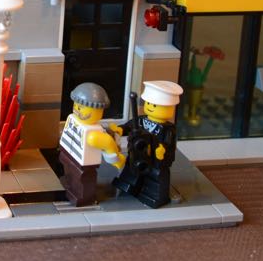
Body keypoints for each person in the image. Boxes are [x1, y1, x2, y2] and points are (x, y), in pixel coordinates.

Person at [113, 80, 183, 208]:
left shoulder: (168, 129)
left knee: (156, 177)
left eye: (155, 105)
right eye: (149, 103)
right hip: (137, 156)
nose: (150, 106)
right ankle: (128, 186)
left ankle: (154, 196)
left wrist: (163, 152)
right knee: (131, 170)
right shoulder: (141, 121)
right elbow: (129, 126)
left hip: (156, 161)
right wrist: (120, 130)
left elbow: (169, 145)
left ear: (170, 108)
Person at [58, 82, 123, 206]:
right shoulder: (73, 119)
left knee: (83, 181)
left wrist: (116, 159)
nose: (77, 109)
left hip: (84, 164)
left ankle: (83, 198)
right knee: (70, 174)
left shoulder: (94, 134)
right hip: (69, 154)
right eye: (76, 105)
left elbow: (108, 143)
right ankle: (70, 188)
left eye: (82, 107)